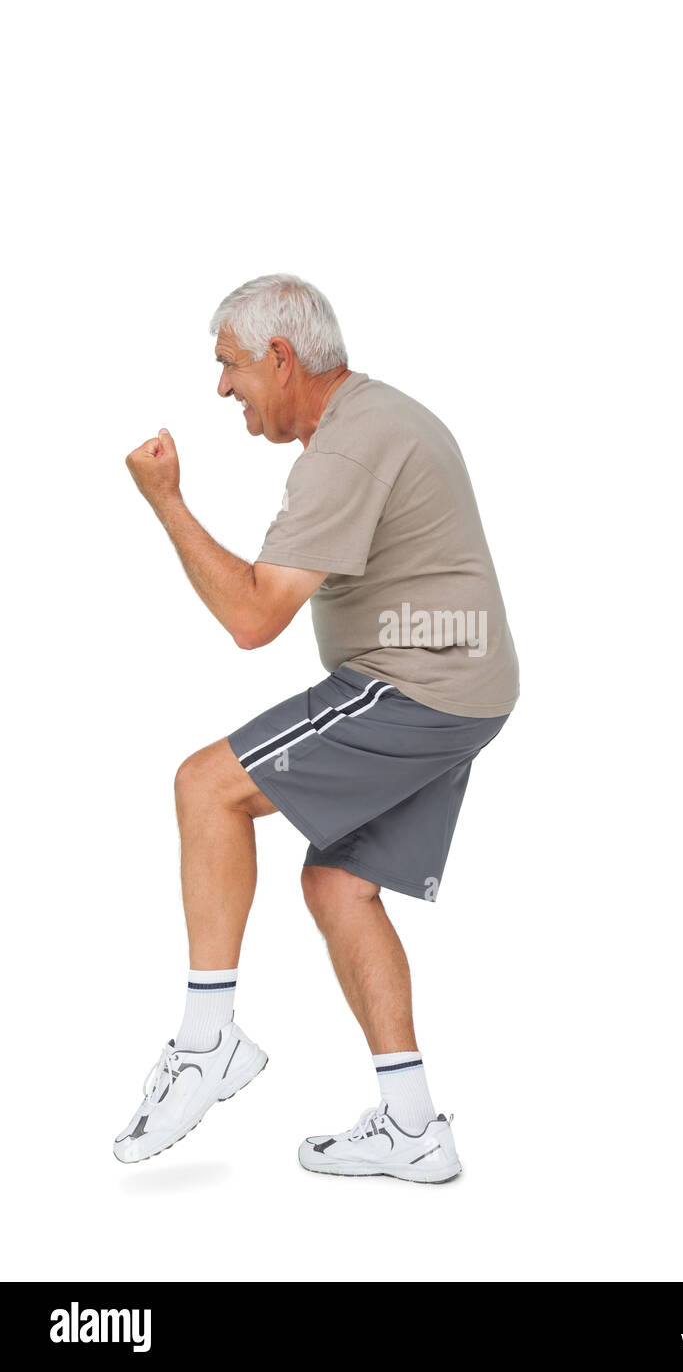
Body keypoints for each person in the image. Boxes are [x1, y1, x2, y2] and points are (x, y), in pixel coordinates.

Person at [116, 273, 519, 1181]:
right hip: (463, 683)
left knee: (205, 786)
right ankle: (415, 1129)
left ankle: (206, 1038)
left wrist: (166, 502)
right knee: (338, 885)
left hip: (416, 683)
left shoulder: (348, 449)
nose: (223, 388)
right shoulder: (370, 422)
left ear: (281, 358)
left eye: (230, 366)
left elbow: (255, 618)